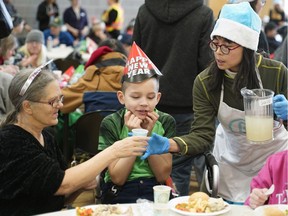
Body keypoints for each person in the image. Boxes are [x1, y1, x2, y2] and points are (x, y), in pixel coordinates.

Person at [141, 2, 288, 204]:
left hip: (275, 164)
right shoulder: (206, 82)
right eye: (215, 43)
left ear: (247, 46)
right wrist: (170, 144)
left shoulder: (276, 73)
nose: (218, 52)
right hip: (232, 164)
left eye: (227, 45)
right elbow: (203, 136)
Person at [0, 64, 148, 215]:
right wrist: (114, 151)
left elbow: (58, 195)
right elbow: (63, 184)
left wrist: (81, 185)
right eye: (52, 101)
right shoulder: (10, 142)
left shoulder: (46, 137)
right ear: (27, 107)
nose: (61, 105)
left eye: (61, 98)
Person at [133, 0, 214, 196]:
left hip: (149, 104)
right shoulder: (203, 14)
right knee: (180, 172)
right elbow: (207, 65)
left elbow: (136, 60)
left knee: (150, 169)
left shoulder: (144, 12)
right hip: (188, 104)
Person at [98, 42, 175, 204]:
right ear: (122, 97)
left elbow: (162, 175)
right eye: (135, 97)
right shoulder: (111, 123)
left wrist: (147, 134)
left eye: (150, 97)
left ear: (158, 98)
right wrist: (135, 137)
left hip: (156, 188)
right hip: (120, 190)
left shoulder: (166, 121)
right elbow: (117, 178)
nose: (143, 103)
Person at [60, 38, 127, 114]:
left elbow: (63, 100)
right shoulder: (134, 74)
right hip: (129, 125)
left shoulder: (91, 75)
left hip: (93, 125)